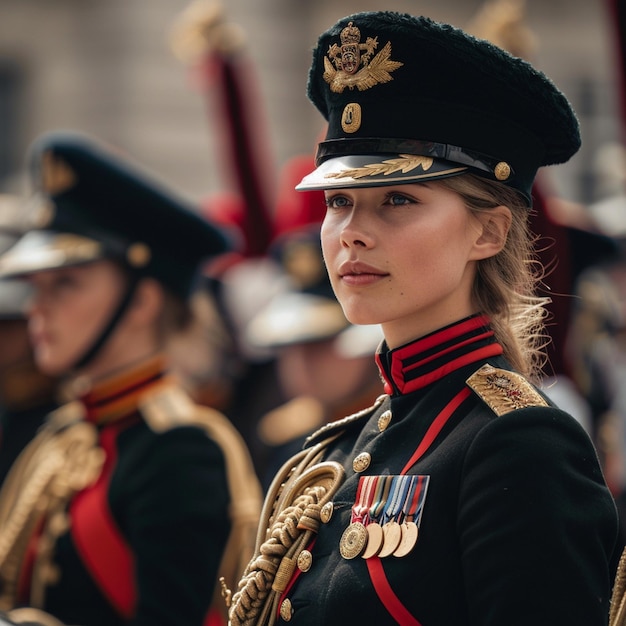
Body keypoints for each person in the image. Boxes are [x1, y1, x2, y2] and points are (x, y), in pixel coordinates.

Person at [226, 11, 619, 626]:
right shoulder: (340, 444)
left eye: (398, 200)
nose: (352, 233)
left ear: (488, 230)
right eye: (338, 202)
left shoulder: (518, 444)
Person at [0, 131, 262, 626]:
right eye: (37, 285)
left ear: (143, 301)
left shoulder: (180, 450)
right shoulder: (63, 433)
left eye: (66, 284)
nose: (36, 306)